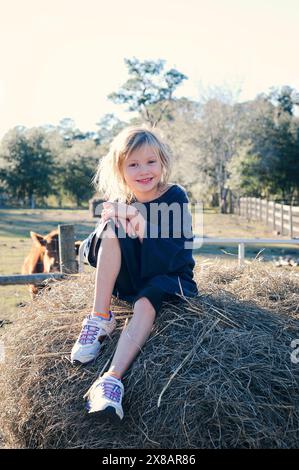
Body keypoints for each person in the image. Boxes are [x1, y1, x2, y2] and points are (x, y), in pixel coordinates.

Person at [71, 125, 198, 421]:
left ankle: (111, 380)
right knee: (112, 230)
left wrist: (139, 223)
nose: (144, 171)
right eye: (133, 164)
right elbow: (91, 253)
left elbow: (173, 252)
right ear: (120, 169)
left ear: (162, 162)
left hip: (169, 276)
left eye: (151, 161)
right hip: (134, 277)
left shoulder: (175, 196)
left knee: (145, 302)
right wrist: (107, 224)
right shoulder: (121, 202)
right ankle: (100, 318)